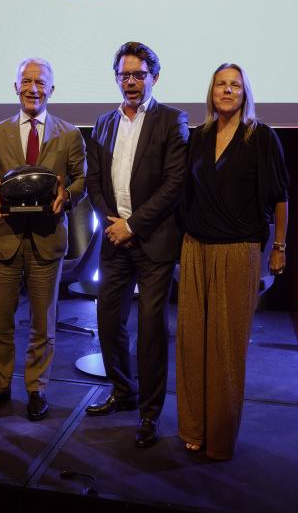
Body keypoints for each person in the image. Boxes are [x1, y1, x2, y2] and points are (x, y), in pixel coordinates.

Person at [177, 63, 289, 459]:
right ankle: (192, 427)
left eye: (235, 85)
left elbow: (280, 197)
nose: (227, 91)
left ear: (245, 93)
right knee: (192, 343)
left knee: (225, 348)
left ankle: (220, 438)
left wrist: (279, 247)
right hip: (194, 248)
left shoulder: (261, 137)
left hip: (239, 250)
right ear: (211, 92)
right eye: (221, 85)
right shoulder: (199, 136)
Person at [85, 41, 188, 448]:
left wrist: (134, 225)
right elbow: (94, 182)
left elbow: (174, 184)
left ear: (154, 78)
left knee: (150, 330)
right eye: (124, 75)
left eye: (138, 75)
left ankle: (149, 413)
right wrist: (111, 222)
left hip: (153, 242)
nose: (130, 82)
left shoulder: (172, 120)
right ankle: (122, 391)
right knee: (108, 323)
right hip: (114, 240)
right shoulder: (103, 123)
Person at [0, 58, 86, 421]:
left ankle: (37, 389)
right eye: (26, 81)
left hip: (46, 239)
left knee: (43, 323)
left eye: (40, 82)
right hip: (4, 239)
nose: (33, 88)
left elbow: (81, 180)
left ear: (51, 90)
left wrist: (66, 196)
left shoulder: (69, 134)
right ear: (16, 86)